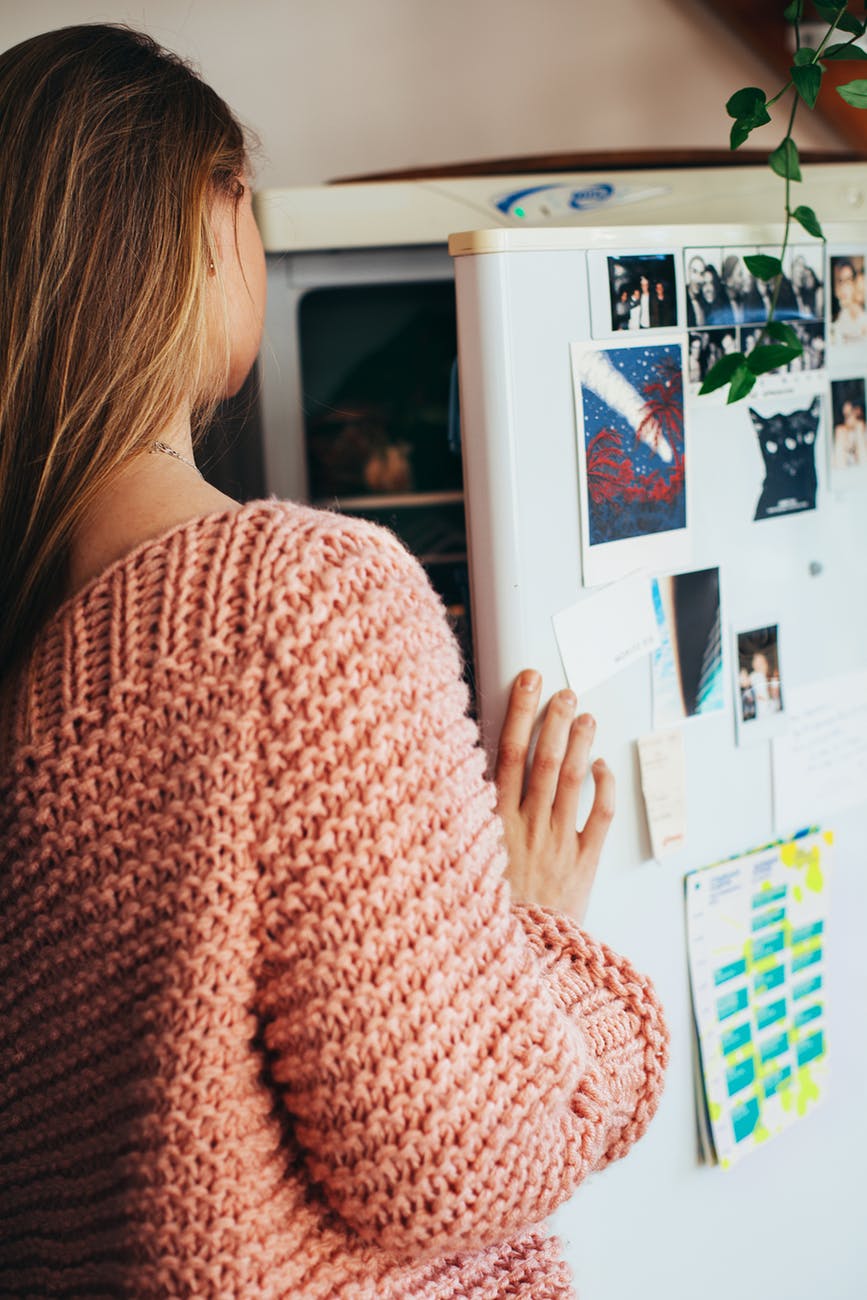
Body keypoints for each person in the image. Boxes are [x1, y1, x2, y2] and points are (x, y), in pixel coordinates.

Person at [0, 24, 668, 1300]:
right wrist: (534, 938)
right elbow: (461, 1149)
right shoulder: (298, 598)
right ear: (208, 212)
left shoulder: (32, 667)